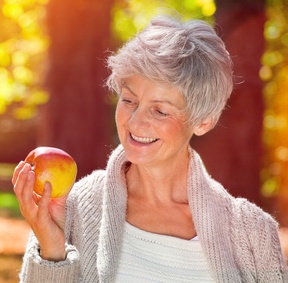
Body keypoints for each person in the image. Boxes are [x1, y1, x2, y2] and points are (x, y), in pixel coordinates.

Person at [12, 14, 287, 283]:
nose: (135, 122)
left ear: (204, 121)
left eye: (159, 111)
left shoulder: (253, 233)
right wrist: (52, 251)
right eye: (129, 100)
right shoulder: (72, 210)